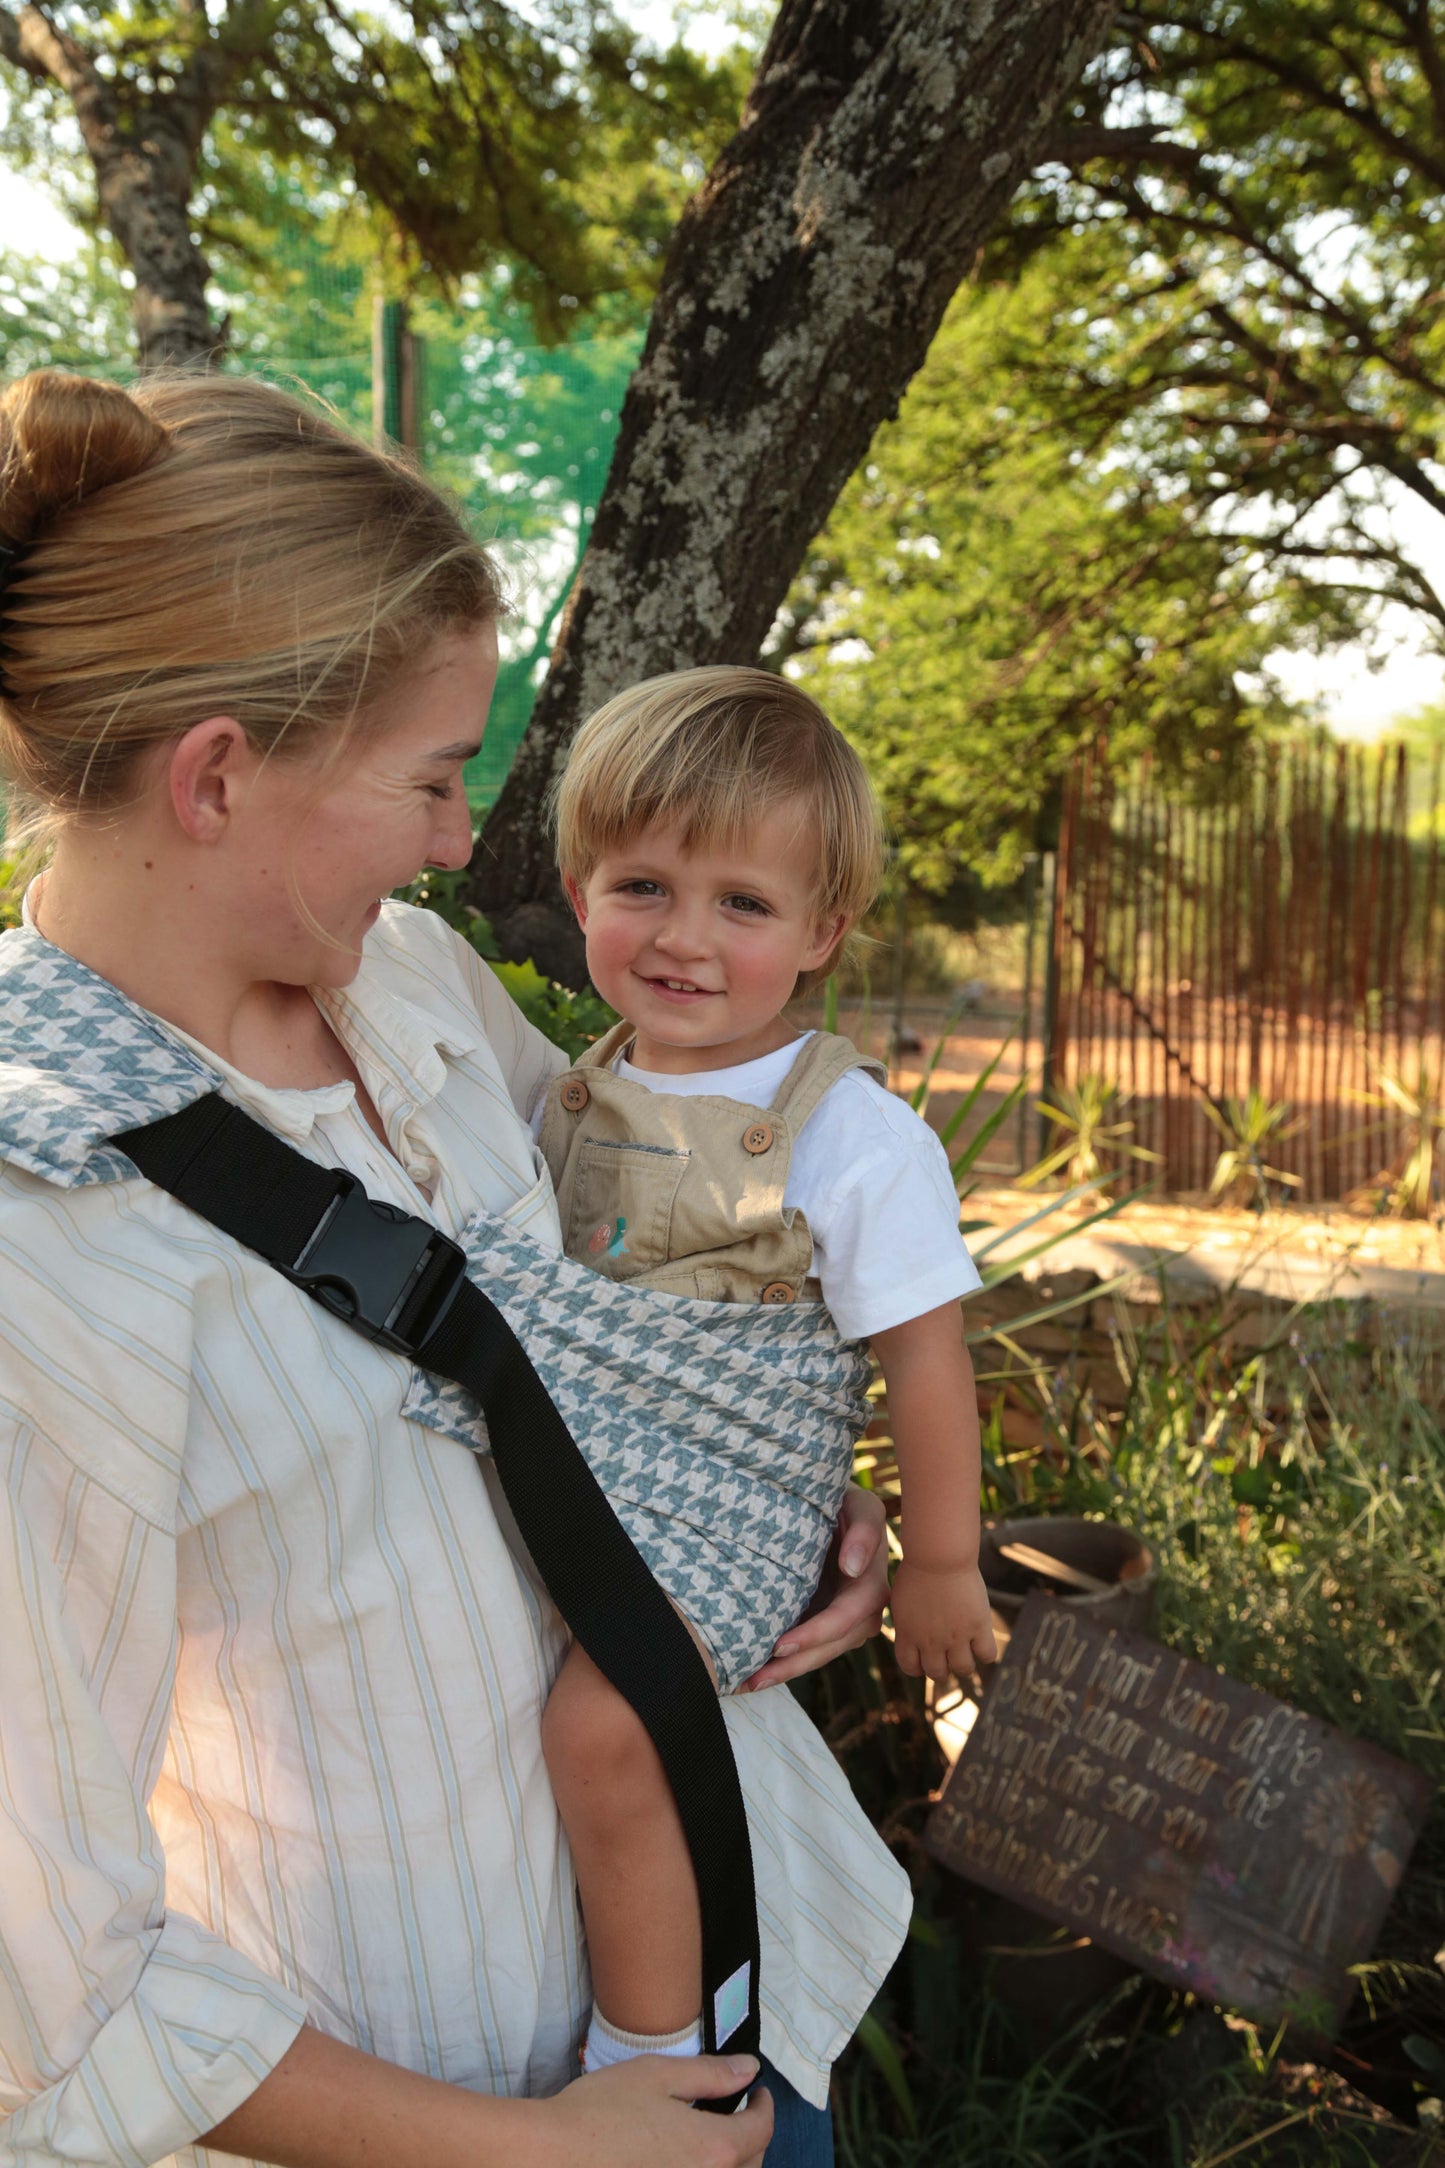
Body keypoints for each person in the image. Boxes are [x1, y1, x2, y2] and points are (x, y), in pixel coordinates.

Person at [0, 369, 911, 2168]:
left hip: (748, 1976)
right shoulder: (44, 1247)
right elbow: (46, 1987)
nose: (451, 837)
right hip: (492, 2119)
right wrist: (555, 2148)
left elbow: (638, 1281)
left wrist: (793, 1472)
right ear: (215, 776)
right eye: (428, 777)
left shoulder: (408, 983)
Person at [530, 668, 998, 2077]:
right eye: (642, 885)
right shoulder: (568, 1082)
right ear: (576, 886)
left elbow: (923, 1359)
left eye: (740, 903)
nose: (682, 938)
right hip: (575, 1480)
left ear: (820, 931)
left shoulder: (850, 1133)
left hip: (725, 1511)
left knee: (609, 1717)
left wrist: (939, 1563)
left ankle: (659, 2049)